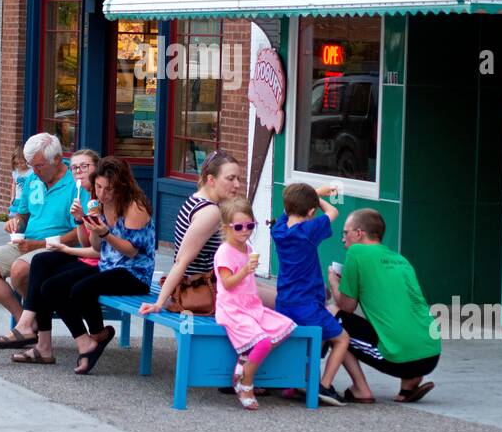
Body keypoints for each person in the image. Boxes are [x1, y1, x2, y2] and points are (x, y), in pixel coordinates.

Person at [11, 156, 155, 374]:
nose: (103, 194)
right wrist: (88, 222)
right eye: (99, 187)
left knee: (79, 289)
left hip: (134, 273)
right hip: (108, 266)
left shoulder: (135, 207)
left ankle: (98, 334)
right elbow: (96, 247)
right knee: (50, 287)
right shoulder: (100, 204)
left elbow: (131, 251)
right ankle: (89, 339)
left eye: (109, 189)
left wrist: (104, 232)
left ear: (122, 186)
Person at [140, 151, 280, 314]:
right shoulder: (210, 212)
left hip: (210, 283)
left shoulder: (197, 200)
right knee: (287, 304)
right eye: (230, 178)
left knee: (280, 295)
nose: (237, 185)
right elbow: (181, 261)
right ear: (211, 180)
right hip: (203, 289)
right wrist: (159, 303)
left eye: (238, 179)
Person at [0, 148, 99, 350]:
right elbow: (89, 242)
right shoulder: (84, 194)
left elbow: (96, 249)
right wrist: (80, 220)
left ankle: (90, 335)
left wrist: (65, 246)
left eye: (84, 167)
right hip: (82, 256)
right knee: (44, 274)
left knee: (45, 279)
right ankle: (35, 334)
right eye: (75, 167)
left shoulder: (95, 196)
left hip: (105, 263)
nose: (78, 171)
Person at [330, 209, 441, 403]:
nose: (343, 239)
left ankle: (360, 389)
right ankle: (408, 386)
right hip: (432, 353)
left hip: (401, 359)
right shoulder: (401, 259)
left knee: (331, 317)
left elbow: (346, 307)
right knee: (395, 322)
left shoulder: (357, 252)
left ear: (359, 233)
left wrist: (333, 281)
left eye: (345, 233)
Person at [0, 133, 78, 324]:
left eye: (39, 166)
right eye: (31, 165)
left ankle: (34, 318)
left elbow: (80, 233)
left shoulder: (75, 185)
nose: (33, 171)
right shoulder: (33, 180)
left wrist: (40, 244)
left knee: (19, 271)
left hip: (57, 248)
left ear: (57, 159)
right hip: (26, 243)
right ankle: (25, 322)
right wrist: (15, 222)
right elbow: (23, 214)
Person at [271, 182, 351, 406]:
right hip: (307, 303)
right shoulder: (308, 231)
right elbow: (333, 211)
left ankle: (302, 380)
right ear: (311, 212)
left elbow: (289, 209)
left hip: (285, 302)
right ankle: (324, 385)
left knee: (310, 340)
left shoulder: (278, 229)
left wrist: (312, 196)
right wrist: (319, 197)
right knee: (342, 338)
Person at [213, 198, 297, 410]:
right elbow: (227, 284)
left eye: (250, 226)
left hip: (251, 306)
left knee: (286, 326)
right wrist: (245, 271)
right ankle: (246, 382)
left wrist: (248, 270)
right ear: (226, 228)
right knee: (263, 342)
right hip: (233, 309)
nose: (245, 231)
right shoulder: (224, 251)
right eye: (239, 227)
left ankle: (244, 362)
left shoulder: (248, 248)